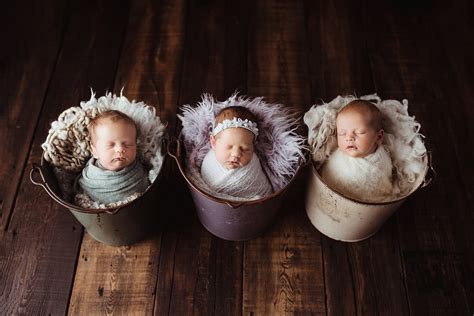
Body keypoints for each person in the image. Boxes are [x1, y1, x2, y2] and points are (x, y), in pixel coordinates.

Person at [321, 100, 393, 202]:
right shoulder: (335, 155)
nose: (349, 138)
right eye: (342, 133)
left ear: (379, 137)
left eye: (359, 132)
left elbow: (383, 186)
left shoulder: (382, 161)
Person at [75, 110, 149, 204]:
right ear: (95, 151)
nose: (120, 149)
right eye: (110, 145)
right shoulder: (90, 176)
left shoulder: (140, 170)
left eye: (128, 144)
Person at [200, 106, 273, 199]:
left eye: (245, 149)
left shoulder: (253, 165)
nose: (236, 154)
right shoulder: (208, 161)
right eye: (229, 147)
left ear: (253, 146)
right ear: (213, 143)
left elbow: (264, 194)